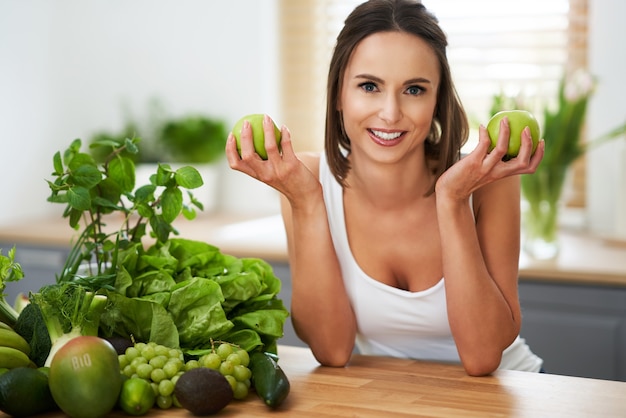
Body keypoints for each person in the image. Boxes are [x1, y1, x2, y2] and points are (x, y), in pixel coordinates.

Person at [226, 0, 545, 376]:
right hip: (387, 397)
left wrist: (453, 199)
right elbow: (331, 349)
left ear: (437, 101)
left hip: (503, 396)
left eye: (414, 90)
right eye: (369, 86)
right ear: (338, 97)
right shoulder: (304, 180)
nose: (391, 113)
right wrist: (307, 201)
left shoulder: (486, 181)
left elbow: (483, 356)